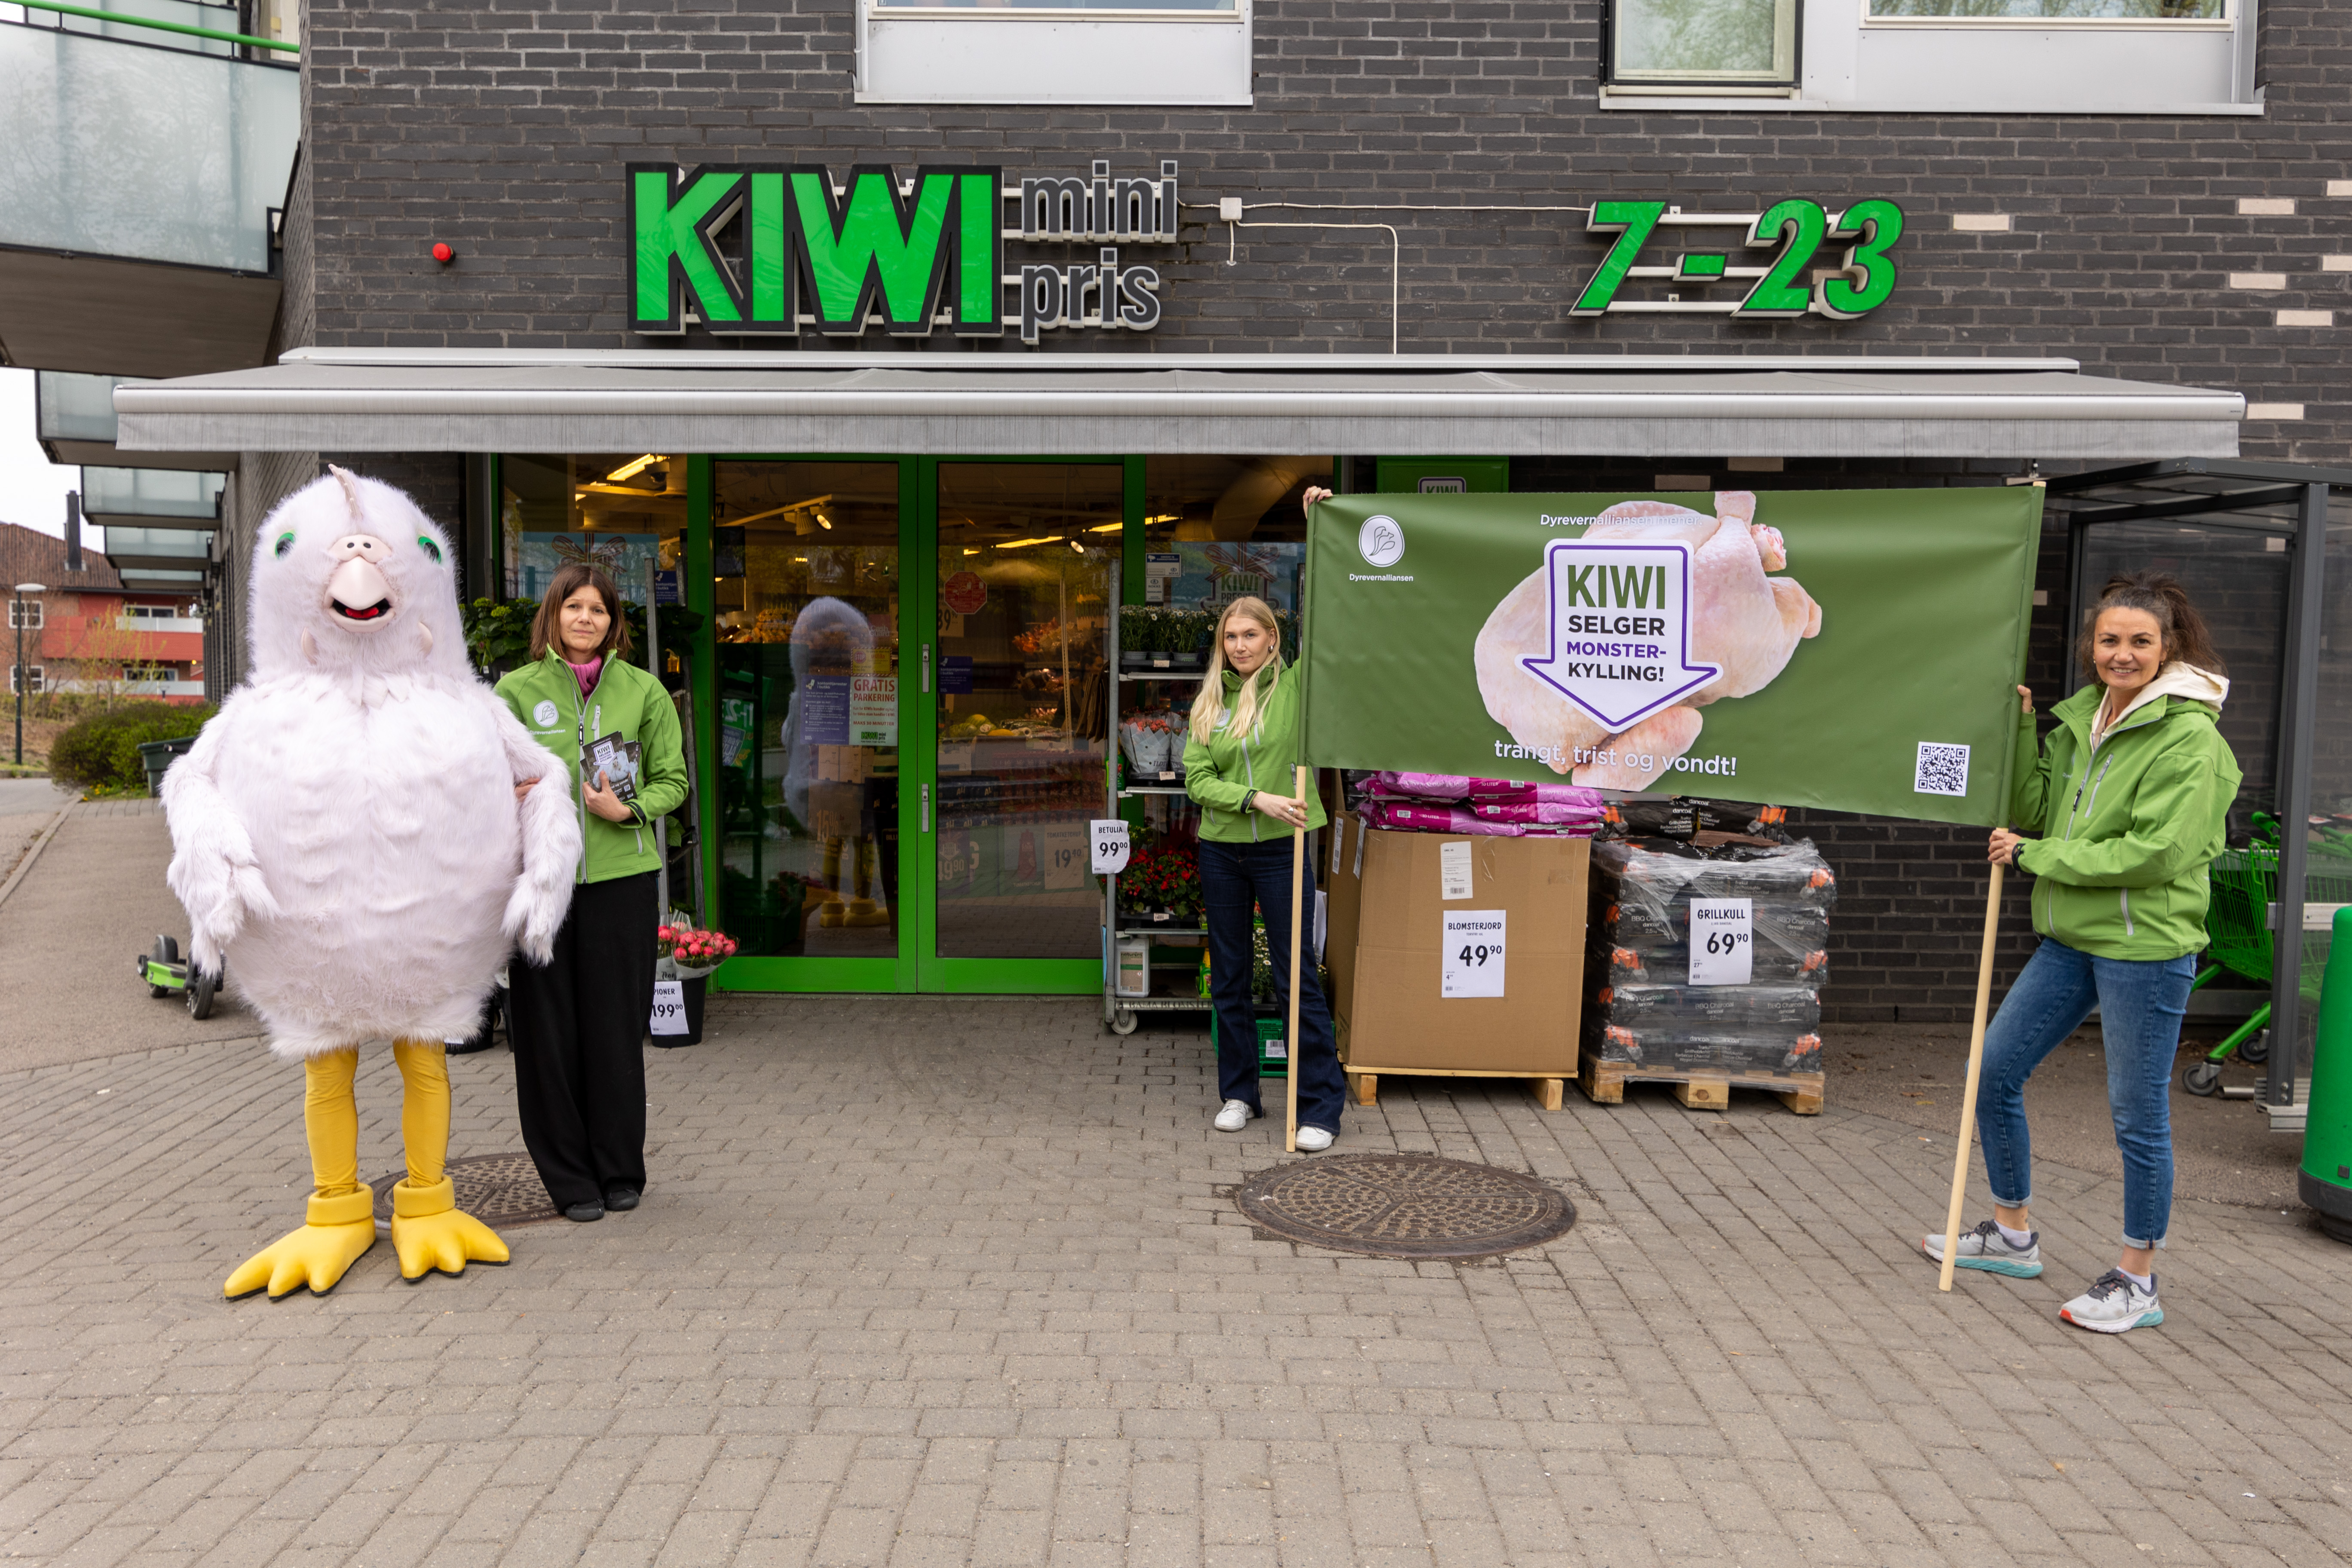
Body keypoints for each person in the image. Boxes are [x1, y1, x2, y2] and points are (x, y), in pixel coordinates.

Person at [1924, 571, 2240, 1333]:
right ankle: (2012, 1234)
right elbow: (2031, 809)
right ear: (2091, 645)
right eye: (2109, 640)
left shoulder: (2190, 737)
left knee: (2137, 1115)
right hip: (2071, 937)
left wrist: (2037, 858)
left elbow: (2158, 852)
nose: (2122, 654)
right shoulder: (2084, 721)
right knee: (1992, 1072)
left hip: (2144, 945)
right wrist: (2023, 730)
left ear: (2169, 648)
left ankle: (2138, 1280)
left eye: (2140, 642)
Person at [497, 562, 689, 1222]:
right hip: (542, 884)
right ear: (553, 614)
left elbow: (673, 780)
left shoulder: (644, 691)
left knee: (615, 1031)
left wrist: (627, 812)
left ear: (613, 623)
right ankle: (570, 1180)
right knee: (546, 1036)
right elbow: (477, 776)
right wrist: (508, 794)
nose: (586, 618)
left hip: (621, 882)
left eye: (599, 609)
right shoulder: (514, 692)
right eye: (574, 606)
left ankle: (619, 1170)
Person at [1182, 594, 1348, 1150]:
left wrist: (1328, 544)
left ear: (1273, 639)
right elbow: (1197, 779)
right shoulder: (1209, 701)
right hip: (1221, 851)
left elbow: (1330, 633)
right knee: (1228, 976)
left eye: (1250, 635)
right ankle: (1240, 1094)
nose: (1240, 646)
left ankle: (1319, 1107)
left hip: (1283, 848)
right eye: (1231, 637)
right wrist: (1255, 799)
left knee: (1294, 976)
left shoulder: (1295, 687)